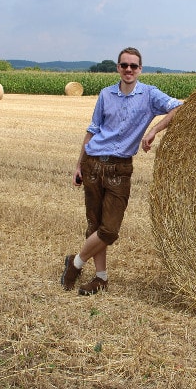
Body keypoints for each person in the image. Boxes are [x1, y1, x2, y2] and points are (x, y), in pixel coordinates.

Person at [61, 47, 183, 295]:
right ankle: (101, 278)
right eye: (124, 65)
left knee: (109, 230)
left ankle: (75, 263)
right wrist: (78, 165)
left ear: (140, 69)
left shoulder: (149, 95)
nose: (129, 70)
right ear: (118, 68)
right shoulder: (106, 94)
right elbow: (93, 130)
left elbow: (179, 107)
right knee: (94, 226)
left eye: (133, 66)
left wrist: (153, 130)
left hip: (120, 168)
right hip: (93, 163)